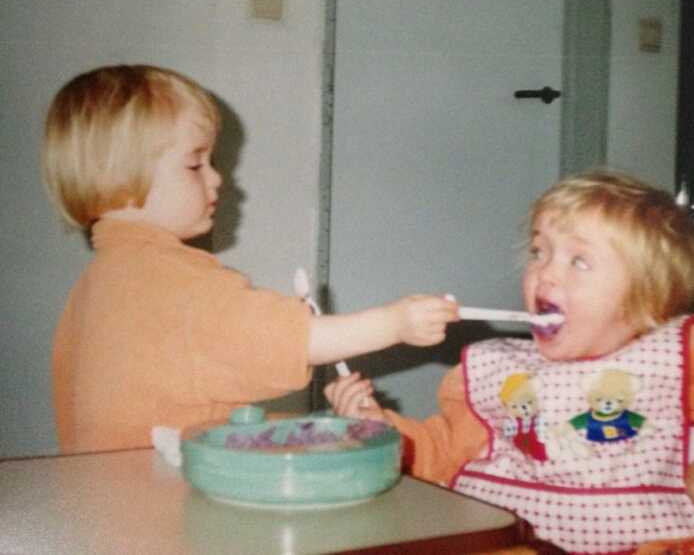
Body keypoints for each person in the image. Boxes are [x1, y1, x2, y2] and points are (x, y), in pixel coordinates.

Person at [325, 170, 694, 554]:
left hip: (649, 544)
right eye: (540, 252)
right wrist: (380, 431)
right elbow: (440, 454)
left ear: (647, 297)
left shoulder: (681, 352)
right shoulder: (498, 370)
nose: (545, 273)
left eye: (578, 261)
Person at [42, 64, 458, 454]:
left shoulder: (97, 285)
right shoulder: (166, 281)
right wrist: (396, 322)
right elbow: (288, 340)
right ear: (120, 174)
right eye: (194, 164)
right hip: (158, 506)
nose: (216, 177)